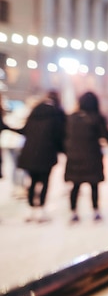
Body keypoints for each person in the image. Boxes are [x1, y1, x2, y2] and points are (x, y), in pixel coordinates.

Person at [64, 92, 108, 223]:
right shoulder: (97, 118)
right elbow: (107, 137)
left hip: (74, 156)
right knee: (94, 185)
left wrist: (66, 150)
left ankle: (73, 212)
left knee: (75, 186)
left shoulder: (71, 118)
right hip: (92, 156)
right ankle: (95, 211)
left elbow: (64, 136)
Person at [14, 90, 66, 223]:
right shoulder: (56, 114)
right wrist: (64, 150)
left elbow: (24, 130)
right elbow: (59, 135)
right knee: (45, 182)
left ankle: (31, 209)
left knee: (32, 182)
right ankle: (41, 210)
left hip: (30, 153)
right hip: (47, 154)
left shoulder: (35, 112)